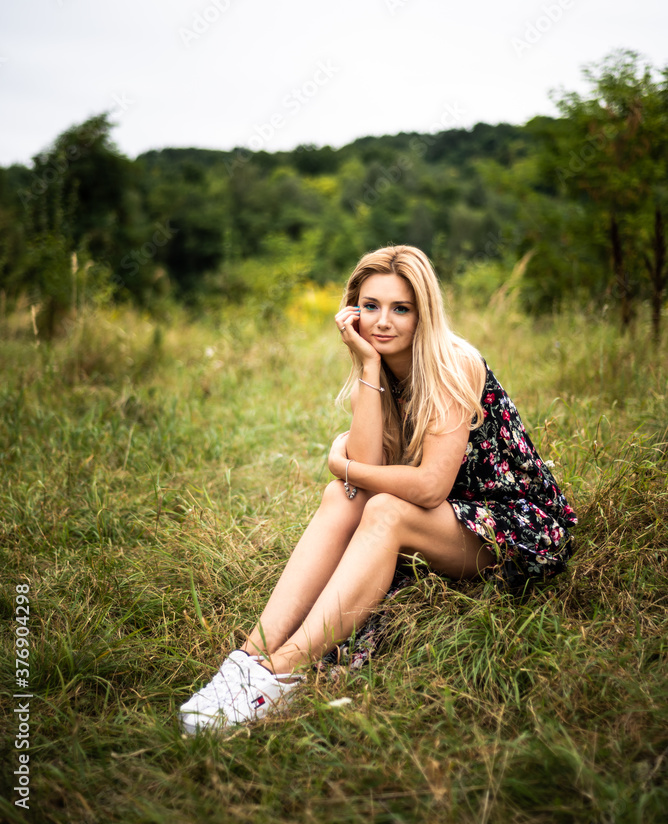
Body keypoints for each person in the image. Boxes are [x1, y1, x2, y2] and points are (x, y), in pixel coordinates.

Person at [179, 245, 577, 733]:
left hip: (513, 524)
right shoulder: (382, 364)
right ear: (353, 310)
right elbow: (362, 471)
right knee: (338, 496)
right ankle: (248, 659)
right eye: (370, 306)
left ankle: (279, 675)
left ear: (422, 312)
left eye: (400, 308)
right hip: (448, 516)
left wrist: (339, 463)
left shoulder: (455, 362)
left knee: (384, 508)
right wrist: (367, 366)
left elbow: (429, 487)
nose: (382, 321)